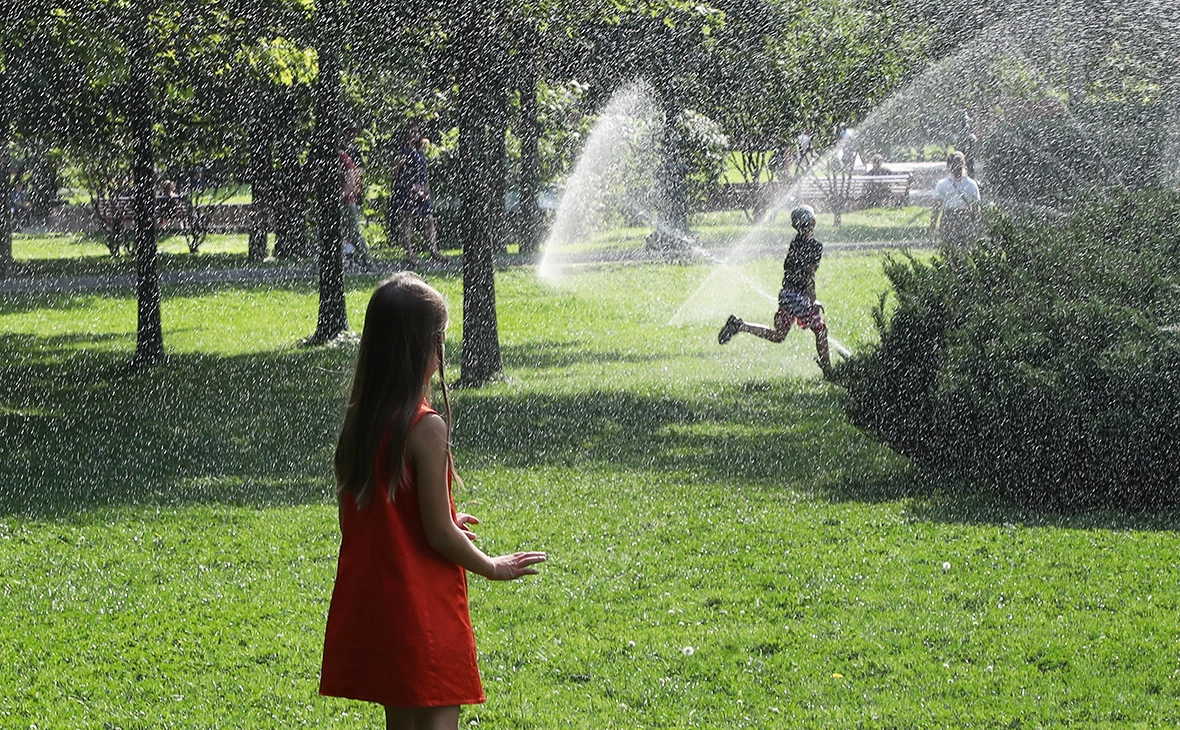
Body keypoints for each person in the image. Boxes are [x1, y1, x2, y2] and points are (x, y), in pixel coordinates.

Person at [320, 273, 546, 730]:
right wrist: (492, 565)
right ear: (418, 348)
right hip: (422, 609)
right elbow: (439, 534)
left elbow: (382, 514)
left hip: (383, 611)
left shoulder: (362, 420)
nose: (441, 353)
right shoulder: (426, 427)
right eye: (437, 340)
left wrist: (440, 513)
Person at [717, 205, 832, 376]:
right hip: (800, 297)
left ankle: (740, 325)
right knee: (820, 330)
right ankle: (829, 372)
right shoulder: (815, 246)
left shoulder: (795, 243)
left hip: (786, 295)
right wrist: (813, 300)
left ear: (795, 226)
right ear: (814, 222)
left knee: (779, 335)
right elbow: (809, 275)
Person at [391, 123, 444, 265]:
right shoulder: (403, 152)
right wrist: (401, 188)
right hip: (407, 189)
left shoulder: (419, 151)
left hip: (421, 189)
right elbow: (395, 172)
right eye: (412, 132)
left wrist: (426, 186)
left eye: (417, 132)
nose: (415, 134)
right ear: (406, 134)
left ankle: (434, 250)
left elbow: (423, 171)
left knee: (429, 219)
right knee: (408, 220)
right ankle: (409, 253)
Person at [928, 151, 981, 246]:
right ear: (964, 164)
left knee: (949, 251)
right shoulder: (971, 184)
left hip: (949, 219)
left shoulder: (942, 184)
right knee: (964, 252)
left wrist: (932, 229)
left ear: (948, 166)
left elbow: (936, 210)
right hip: (964, 219)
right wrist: (977, 229)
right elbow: (977, 210)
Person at [341, 126, 375, 270]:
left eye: (355, 132)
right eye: (350, 132)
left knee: (353, 231)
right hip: (347, 194)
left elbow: (359, 169)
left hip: (348, 195)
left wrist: (354, 174)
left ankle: (365, 261)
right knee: (344, 231)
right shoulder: (341, 149)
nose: (353, 135)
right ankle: (348, 257)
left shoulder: (350, 152)